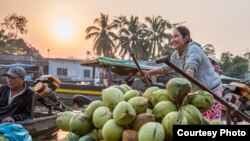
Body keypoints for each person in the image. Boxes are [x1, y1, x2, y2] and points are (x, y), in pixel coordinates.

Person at [144, 26, 223, 120]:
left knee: (212, 120)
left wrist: (185, 85)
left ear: (185, 38)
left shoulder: (193, 48)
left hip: (212, 90)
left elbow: (191, 66)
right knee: (198, 119)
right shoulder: (175, 55)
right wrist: (150, 72)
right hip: (197, 92)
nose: (172, 40)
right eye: (172, 37)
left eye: (176, 36)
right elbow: (166, 68)